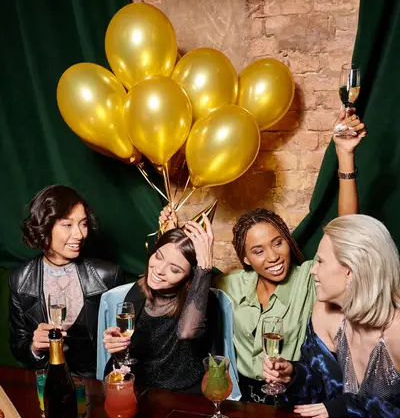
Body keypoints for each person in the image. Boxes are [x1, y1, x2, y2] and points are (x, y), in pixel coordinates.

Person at [211, 109, 366, 402]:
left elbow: (348, 233)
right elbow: (186, 284)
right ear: (245, 260)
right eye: (258, 251)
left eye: (277, 242)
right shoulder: (231, 285)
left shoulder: (309, 277)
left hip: (293, 395)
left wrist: (345, 156)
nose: (273, 256)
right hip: (242, 399)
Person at [262, 214, 400, 418]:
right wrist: (293, 376)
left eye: (320, 261)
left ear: (350, 271)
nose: (313, 271)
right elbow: (320, 390)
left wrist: (353, 405)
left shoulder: (396, 329)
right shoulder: (324, 312)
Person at [9, 185, 124, 377]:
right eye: (68, 224)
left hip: (96, 383)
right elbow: (17, 345)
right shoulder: (20, 280)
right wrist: (35, 347)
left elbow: (128, 343)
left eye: (83, 224)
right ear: (44, 226)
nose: (79, 234)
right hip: (47, 381)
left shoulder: (108, 275)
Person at [103, 215, 221, 392]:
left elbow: (187, 332)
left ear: (190, 277)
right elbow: (130, 352)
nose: (159, 270)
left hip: (184, 392)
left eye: (174, 269)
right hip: (140, 386)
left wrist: (204, 268)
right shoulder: (139, 290)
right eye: (158, 256)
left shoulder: (202, 300)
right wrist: (116, 347)